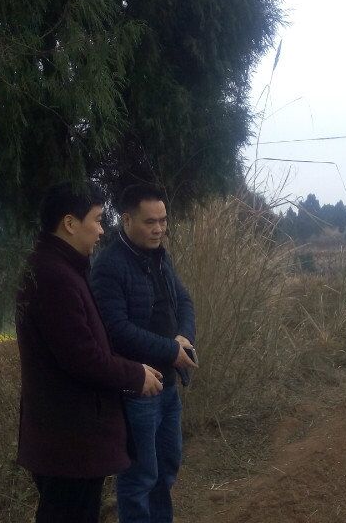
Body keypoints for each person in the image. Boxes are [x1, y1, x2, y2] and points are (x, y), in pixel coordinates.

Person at [16, 181, 165, 523]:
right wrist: (135, 374)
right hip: (68, 441)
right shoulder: (53, 277)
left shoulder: (63, 268)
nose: (101, 231)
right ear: (70, 223)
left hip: (70, 439)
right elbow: (82, 357)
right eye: (97, 220)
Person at [89, 184, 197, 523]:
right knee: (139, 478)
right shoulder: (109, 266)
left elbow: (184, 301)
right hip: (137, 391)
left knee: (167, 469)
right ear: (126, 220)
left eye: (163, 221)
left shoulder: (160, 257)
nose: (159, 229)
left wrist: (184, 336)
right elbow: (116, 329)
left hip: (168, 386)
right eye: (150, 222)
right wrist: (171, 350)